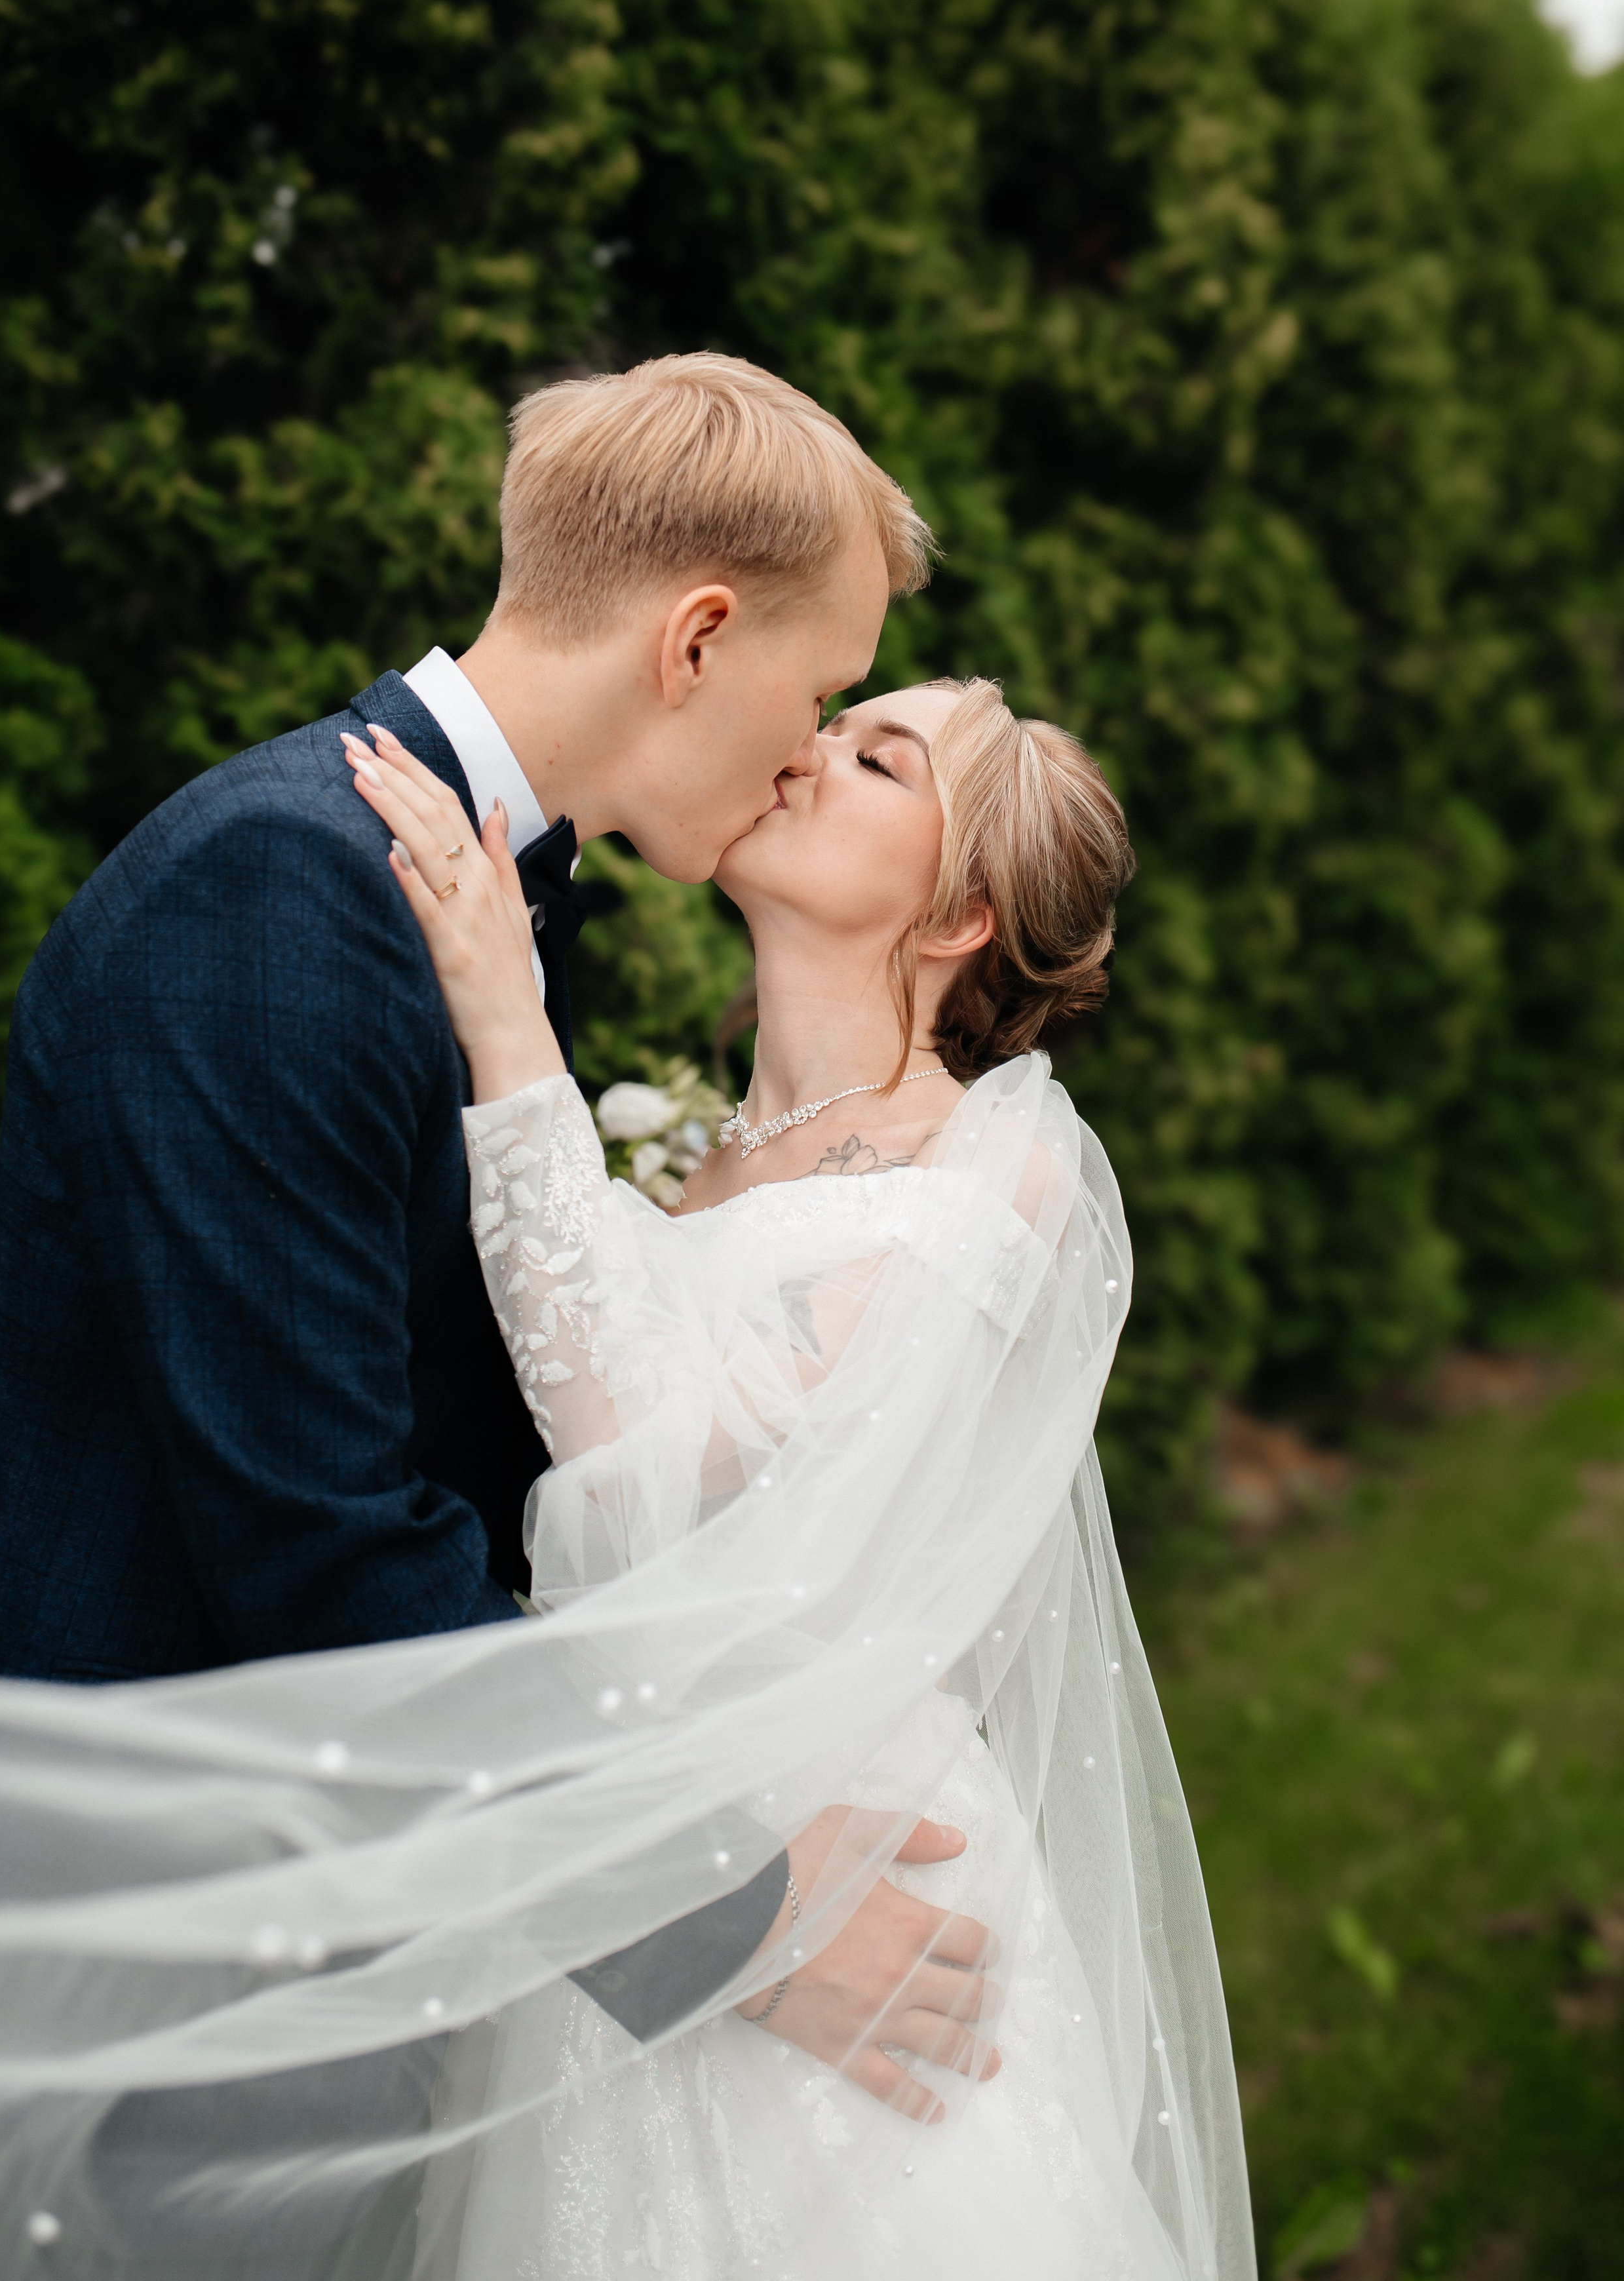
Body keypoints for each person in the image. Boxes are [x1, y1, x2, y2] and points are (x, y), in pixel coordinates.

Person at [0, 358, 1013, 2265]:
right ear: (699, 636)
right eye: (822, 689)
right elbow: (321, 1540)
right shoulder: (276, 899)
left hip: (338, 1916)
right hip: (177, 1979)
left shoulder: (459, 894)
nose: (809, 747)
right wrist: (745, 1924)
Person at [300, 671, 1250, 2276]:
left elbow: (651, 1476)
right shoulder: (698, 1160)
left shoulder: (994, 1177)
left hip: (852, 1869)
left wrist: (508, 1033)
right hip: (659, 1865)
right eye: (834, 725)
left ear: (955, 913)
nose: (807, 751)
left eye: (878, 758)